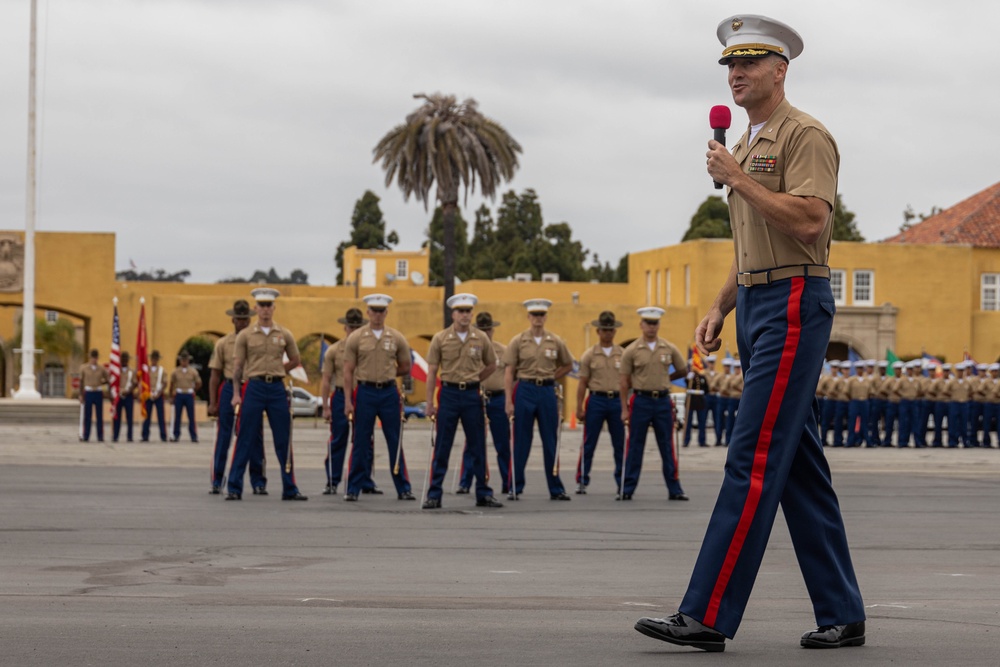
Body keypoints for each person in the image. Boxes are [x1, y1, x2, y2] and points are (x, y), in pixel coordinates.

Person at [635, 15, 865, 652]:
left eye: (750, 64)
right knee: (797, 465)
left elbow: (812, 223)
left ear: (780, 70)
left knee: (754, 455)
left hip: (794, 298)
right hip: (758, 299)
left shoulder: (804, 136)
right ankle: (843, 611)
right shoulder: (745, 140)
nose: (736, 74)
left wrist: (737, 179)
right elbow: (752, 242)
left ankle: (707, 613)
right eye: (730, 66)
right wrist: (719, 305)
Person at [422, 293, 503, 510]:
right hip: (448, 394)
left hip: (471, 395)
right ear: (453, 314)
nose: (465, 315)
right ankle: (434, 494)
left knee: (477, 446)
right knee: (442, 446)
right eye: (461, 311)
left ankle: (483, 493)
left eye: (468, 311)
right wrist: (429, 402)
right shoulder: (440, 338)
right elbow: (431, 371)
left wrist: (476, 379)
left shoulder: (480, 338)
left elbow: (492, 364)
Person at [226, 288, 307, 501]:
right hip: (254, 387)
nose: (265, 310)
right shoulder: (245, 335)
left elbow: (296, 359)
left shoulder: (284, 334)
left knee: (283, 439)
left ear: (274, 308)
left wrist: (281, 371)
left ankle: (290, 488)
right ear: (256, 308)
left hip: (277, 389)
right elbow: (237, 367)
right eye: (261, 305)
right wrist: (236, 394)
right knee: (245, 437)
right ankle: (234, 487)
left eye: (268, 305)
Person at [342, 293, 416, 502]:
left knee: (394, 440)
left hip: (388, 393)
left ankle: (403, 487)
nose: (377, 314)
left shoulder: (396, 337)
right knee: (361, 441)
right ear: (368, 312)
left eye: (381, 311)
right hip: (365, 392)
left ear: (386, 313)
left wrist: (388, 376)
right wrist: (348, 401)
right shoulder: (356, 337)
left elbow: (405, 366)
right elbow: (348, 371)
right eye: (373, 310)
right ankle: (354, 488)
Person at [503, 298, 575, 500]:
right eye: (534, 315)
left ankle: (556, 488)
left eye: (541, 315)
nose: (538, 319)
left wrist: (553, 375)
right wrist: (509, 400)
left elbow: (568, 364)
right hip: (525, 388)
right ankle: (515, 486)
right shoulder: (518, 341)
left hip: (546, 391)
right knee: (521, 441)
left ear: (546, 317)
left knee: (550, 441)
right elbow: (509, 372)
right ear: (528, 317)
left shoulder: (555, 341)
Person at [618, 307, 688, 501]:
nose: (651, 326)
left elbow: (683, 370)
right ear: (641, 325)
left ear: (659, 325)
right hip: (641, 400)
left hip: (662, 401)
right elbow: (623, 382)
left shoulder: (668, 347)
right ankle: (627, 488)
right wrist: (624, 409)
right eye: (648, 323)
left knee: (667, 446)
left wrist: (667, 378)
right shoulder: (631, 350)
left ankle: (675, 489)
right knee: (635, 446)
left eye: (655, 323)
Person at [207, 299, 266, 495]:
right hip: (227, 387)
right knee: (224, 436)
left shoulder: (257, 341)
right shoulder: (223, 343)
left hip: (251, 387)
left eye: (245, 319)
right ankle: (217, 479)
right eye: (239, 319)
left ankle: (258, 481)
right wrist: (213, 402)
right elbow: (214, 375)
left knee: (254, 436)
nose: (242, 322)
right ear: (233, 320)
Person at [320, 307, 376, 495]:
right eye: (350, 327)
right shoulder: (334, 350)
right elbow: (326, 379)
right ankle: (332, 480)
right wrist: (326, 406)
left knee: (365, 440)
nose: (353, 330)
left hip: (362, 393)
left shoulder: (368, 348)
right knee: (338, 438)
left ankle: (365, 480)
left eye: (357, 327)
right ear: (345, 328)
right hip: (340, 395)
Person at [457, 312, 511, 493]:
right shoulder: (470, 348)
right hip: (477, 397)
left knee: (502, 443)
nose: (486, 333)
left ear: (492, 330)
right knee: (473, 443)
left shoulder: (503, 350)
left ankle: (508, 482)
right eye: (482, 329)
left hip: (498, 398)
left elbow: (513, 376)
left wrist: (510, 401)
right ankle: (465, 483)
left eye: (488, 329)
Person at [574, 311, 626, 494]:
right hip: (596, 400)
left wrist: (626, 406)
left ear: (614, 331)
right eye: (604, 329)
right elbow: (582, 383)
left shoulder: (623, 354)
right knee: (589, 442)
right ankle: (582, 479)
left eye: (610, 329)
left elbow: (628, 382)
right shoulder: (589, 355)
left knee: (619, 443)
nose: (607, 333)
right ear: (598, 331)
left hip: (616, 401)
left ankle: (622, 480)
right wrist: (579, 407)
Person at [168, 350, 201, 442]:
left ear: (188, 361)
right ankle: (176, 434)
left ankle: (193, 436)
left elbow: (198, 382)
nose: (184, 362)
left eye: (186, 360)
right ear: (180, 361)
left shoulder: (193, 371)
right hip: (179, 394)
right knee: (177, 416)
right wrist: (171, 396)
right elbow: (172, 384)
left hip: (189, 394)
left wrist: (194, 390)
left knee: (191, 416)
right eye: (182, 360)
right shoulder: (175, 371)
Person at [78, 348, 109, 442]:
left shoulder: (101, 368)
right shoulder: (84, 368)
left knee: (99, 415)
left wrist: (101, 383)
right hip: (88, 391)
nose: (94, 359)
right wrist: (80, 394)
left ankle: (100, 436)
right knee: (87, 415)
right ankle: (86, 435)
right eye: (92, 357)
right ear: (89, 357)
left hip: (98, 392)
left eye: (95, 357)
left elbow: (107, 379)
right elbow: (81, 382)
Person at [142, 350, 168, 442]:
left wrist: (158, 393)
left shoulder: (162, 370)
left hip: (158, 395)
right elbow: (143, 382)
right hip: (148, 395)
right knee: (146, 416)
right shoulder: (146, 370)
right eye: (153, 358)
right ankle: (145, 435)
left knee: (161, 416)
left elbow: (165, 383)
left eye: (156, 359)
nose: (154, 360)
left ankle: (163, 435)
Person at [112, 351, 137, 442]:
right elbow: (113, 382)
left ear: (128, 360)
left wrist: (129, 391)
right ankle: (115, 436)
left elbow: (135, 383)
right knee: (117, 417)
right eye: (123, 359)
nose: (124, 361)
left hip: (128, 395)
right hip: (118, 396)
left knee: (129, 417)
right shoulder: (116, 370)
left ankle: (129, 436)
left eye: (126, 359)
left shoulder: (132, 371)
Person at [684, 366, 710, 447]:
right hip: (691, 400)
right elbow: (686, 384)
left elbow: (706, 389)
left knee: (702, 422)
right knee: (688, 422)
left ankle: (702, 441)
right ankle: (686, 440)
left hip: (700, 401)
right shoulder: (689, 377)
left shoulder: (702, 377)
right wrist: (688, 378)